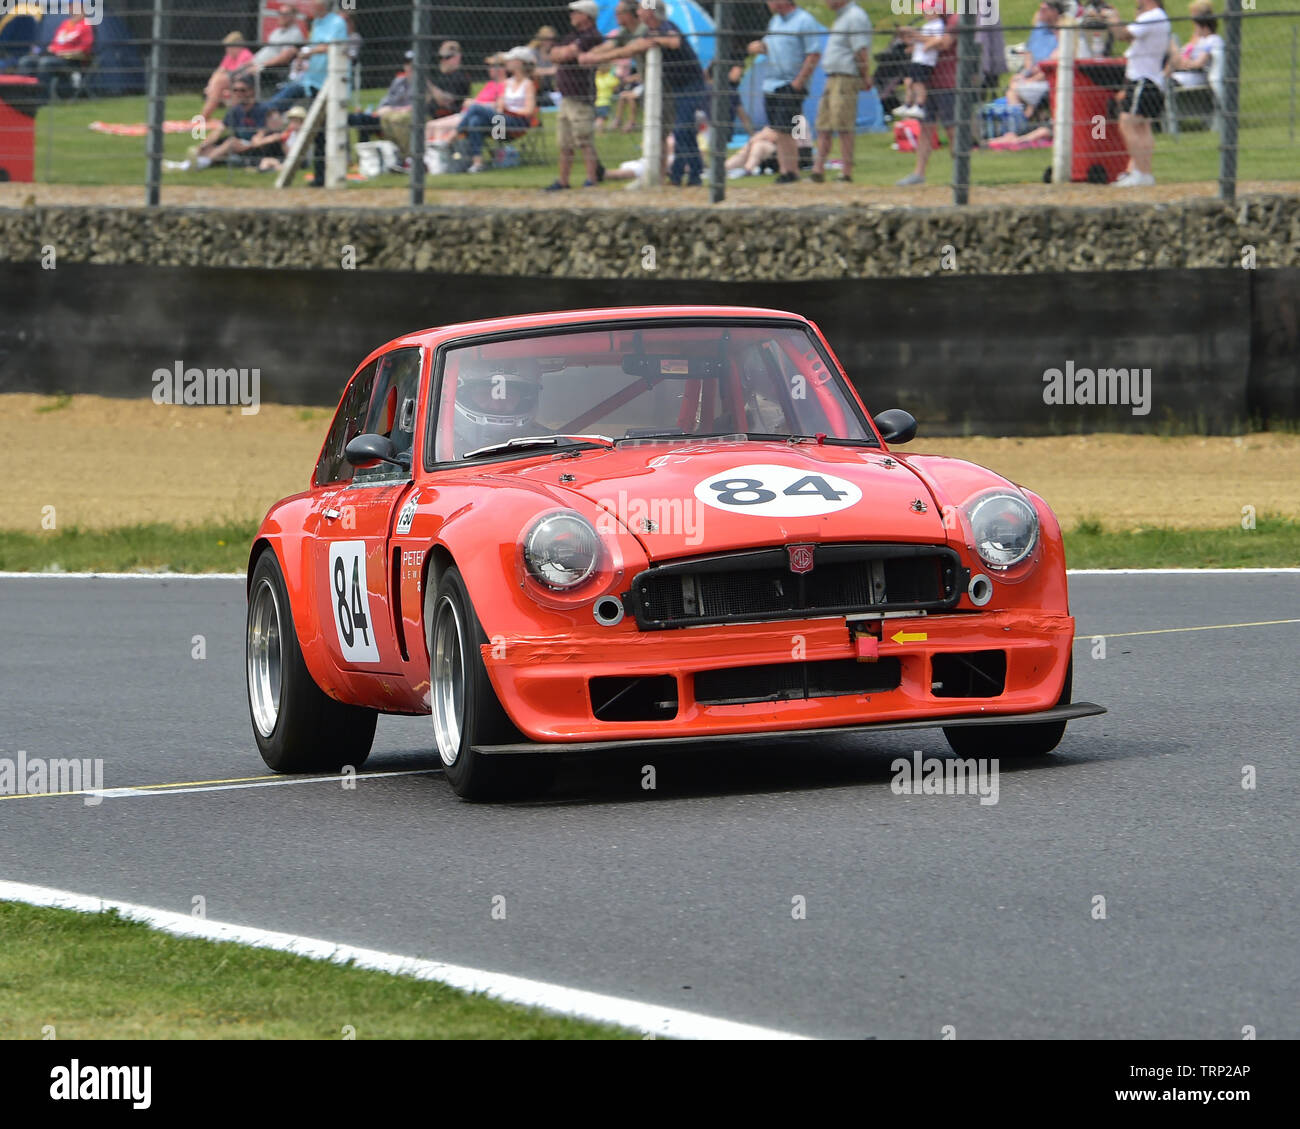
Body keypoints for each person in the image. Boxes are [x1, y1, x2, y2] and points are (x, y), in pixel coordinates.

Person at [595, 0, 710, 187]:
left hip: (691, 84)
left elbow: (674, 42)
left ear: (651, 13)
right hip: (678, 87)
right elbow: (630, 49)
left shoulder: (666, 26)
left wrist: (655, 40)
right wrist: (598, 58)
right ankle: (690, 175)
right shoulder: (649, 32)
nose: (638, 12)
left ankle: (682, 175)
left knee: (682, 129)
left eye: (641, 9)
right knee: (684, 130)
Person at [746, 1, 824, 185]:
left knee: (786, 129)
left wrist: (798, 83)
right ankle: (785, 170)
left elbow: (813, 54)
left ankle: (792, 171)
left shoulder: (804, 21)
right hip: (771, 83)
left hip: (790, 83)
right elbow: (770, 46)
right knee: (777, 129)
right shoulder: (774, 22)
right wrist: (759, 47)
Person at [1104, 0, 1171, 186]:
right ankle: (1145, 173)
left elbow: (1122, 34)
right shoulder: (1158, 17)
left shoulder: (1152, 17)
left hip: (1143, 79)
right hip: (1150, 78)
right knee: (1143, 127)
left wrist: (1112, 18)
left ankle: (1140, 173)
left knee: (1127, 123)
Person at [545, 1, 605, 191]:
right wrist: (565, 52)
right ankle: (563, 181)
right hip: (566, 96)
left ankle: (591, 179)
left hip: (580, 95)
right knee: (565, 142)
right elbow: (554, 54)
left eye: (575, 12)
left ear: (586, 15)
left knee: (584, 139)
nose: (571, 15)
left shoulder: (592, 36)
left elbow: (565, 54)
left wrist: (565, 52)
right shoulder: (574, 36)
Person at [896, 5, 958, 186]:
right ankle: (919, 173)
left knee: (951, 129)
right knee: (925, 128)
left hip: (947, 83)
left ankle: (959, 171)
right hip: (928, 82)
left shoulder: (954, 20)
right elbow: (923, 44)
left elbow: (943, 43)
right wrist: (910, 38)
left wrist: (915, 35)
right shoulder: (931, 24)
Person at [810, 0, 871, 184]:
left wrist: (865, 75)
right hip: (832, 77)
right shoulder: (841, 17)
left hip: (845, 77)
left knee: (843, 124)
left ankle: (846, 172)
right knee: (824, 124)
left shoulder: (855, 16)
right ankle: (818, 170)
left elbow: (860, 50)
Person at [382, 41, 471, 159]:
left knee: (400, 119)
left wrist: (426, 82)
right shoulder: (439, 76)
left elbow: (445, 101)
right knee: (387, 118)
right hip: (424, 112)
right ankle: (398, 156)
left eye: (447, 57)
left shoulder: (461, 77)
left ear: (457, 57)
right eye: (441, 57)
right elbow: (427, 99)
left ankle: (410, 158)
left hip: (440, 116)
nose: (442, 61)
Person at [458, 47, 538, 174]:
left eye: (511, 60)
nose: (507, 62)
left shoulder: (527, 84)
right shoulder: (507, 83)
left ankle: (457, 133)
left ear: (519, 63)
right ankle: (477, 163)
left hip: (517, 122)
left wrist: (511, 111)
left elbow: (529, 110)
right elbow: (500, 106)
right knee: (475, 121)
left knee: (475, 107)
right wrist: (502, 109)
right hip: (500, 122)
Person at [265, 0, 349, 112]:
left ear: (322, 6)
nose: (310, 9)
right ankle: (267, 113)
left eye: (313, 6)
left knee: (326, 116)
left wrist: (310, 53)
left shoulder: (337, 23)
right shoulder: (316, 23)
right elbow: (317, 47)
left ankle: (267, 113)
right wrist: (304, 57)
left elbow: (333, 47)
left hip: (328, 80)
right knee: (287, 96)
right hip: (311, 78)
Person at [172, 77, 272, 170]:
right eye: (235, 90)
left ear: (251, 91)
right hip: (240, 143)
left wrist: (252, 143)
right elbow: (219, 130)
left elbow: (261, 135)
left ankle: (202, 163)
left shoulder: (261, 110)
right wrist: (202, 145)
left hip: (255, 146)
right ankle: (187, 164)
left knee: (231, 142)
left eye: (242, 90)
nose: (238, 93)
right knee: (209, 146)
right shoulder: (235, 110)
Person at [16, 0, 94, 101]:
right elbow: (54, 44)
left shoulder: (86, 26)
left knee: (45, 63)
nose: (71, 9)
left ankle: (41, 98)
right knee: (26, 61)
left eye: (74, 6)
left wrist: (63, 54)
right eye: (70, 6)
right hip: (54, 56)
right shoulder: (65, 24)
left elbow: (84, 52)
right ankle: (22, 97)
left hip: (71, 61)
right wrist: (50, 49)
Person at [426, 53, 508, 147]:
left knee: (439, 127)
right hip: (467, 114)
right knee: (430, 125)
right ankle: (424, 157)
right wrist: (472, 102)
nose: (489, 69)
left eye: (493, 66)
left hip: (480, 117)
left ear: (503, 68)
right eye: (489, 66)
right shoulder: (490, 84)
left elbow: (500, 106)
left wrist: (475, 104)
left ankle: (440, 157)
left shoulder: (505, 85)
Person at [1005, 1, 1064, 119]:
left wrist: (1031, 80)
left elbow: (1052, 67)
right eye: (1040, 9)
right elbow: (1029, 53)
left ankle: (1020, 125)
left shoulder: (1061, 33)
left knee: (1013, 92)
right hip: (1033, 75)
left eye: (1044, 10)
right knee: (1014, 82)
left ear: (1055, 12)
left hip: (1049, 79)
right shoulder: (1039, 28)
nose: (1040, 12)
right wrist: (1025, 73)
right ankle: (1029, 119)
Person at [350, 51, 415, 146]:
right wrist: (382, 109)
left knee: (364, 121)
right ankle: (363, 154)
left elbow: (418, 107)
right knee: (358, 119)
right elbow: (386, 102)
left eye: (413, 64)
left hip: (400, 119)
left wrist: (392, 109)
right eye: (407, 63)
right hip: (385, 117)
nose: (410, 67)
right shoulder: (399, 81)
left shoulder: (424, 84)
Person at [199, 32, 256, 123]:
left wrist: (215, 86)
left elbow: (238, 75)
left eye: (229, 47)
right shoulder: (229, 56)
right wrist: (210, 86)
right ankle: (204, 116)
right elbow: (219, 71)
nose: (227, 50)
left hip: (243, 83)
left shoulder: (245, 55)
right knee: (218, 79)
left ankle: (204, 116)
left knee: (219, 82)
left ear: (238, 46)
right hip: (227, 84)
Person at [247, 6, 306, 88]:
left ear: (293, 17)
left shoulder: (295, 34)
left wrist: (261, 65)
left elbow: (284, 58)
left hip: (271, 70)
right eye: (280, 13)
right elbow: (267, 51)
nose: (281, 16)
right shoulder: (276, 32)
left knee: (243, 78)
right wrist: (249, 63)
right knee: (236, 72)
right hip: (257, 65)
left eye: (285, 14)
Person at [1169, 0, 1222, 90]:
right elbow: (1183, 56)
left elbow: (1199, 63)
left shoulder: (1213, 40)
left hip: (1190, 80)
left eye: (1195, 24)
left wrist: (1185, 63)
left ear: (1203, 26)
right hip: (1179, 76)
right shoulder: (1199, 40)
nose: (1193, 27)